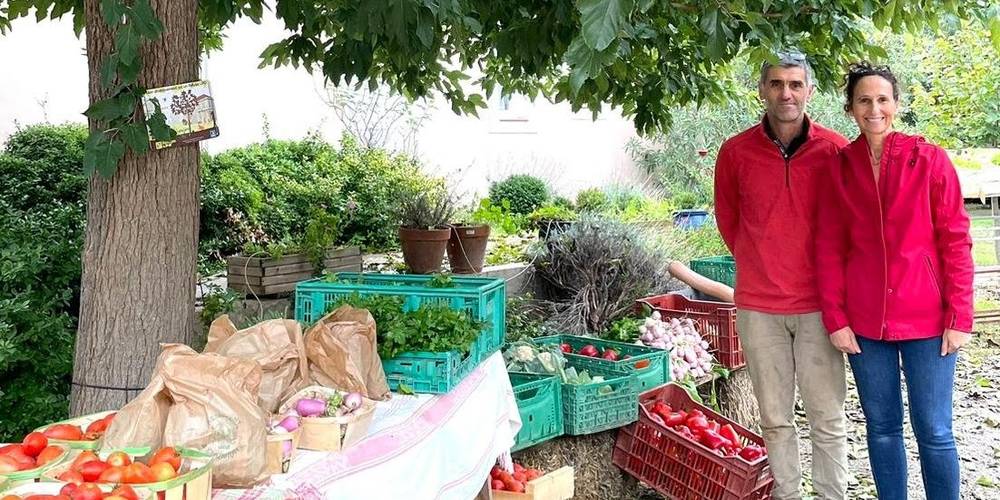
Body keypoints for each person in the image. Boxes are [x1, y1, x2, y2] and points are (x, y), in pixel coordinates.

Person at [815, 62, 974, 500]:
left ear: (897, 105)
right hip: (866, 324)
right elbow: (828, 248)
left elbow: (956, 241)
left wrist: (960, 315)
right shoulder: (839, 168)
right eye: (864, 100)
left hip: (928, 320)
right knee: (882, 429)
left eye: (882, 99)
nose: (874, 108)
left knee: (935, 429)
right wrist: (836, 318)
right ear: (850, 109)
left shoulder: (930, 160)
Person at [714, 51, 850, 499]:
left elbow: (849, 224)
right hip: (759, 307)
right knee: (774, 419)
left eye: (795, 84)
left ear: (809, 91)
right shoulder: (735, 152)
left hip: (818, 305)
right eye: (776, 84)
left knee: (827, 418)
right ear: (762, 90)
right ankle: (787, 495)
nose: (786, 93)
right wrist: (762, 261)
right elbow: (730, 222)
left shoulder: (835, 151)